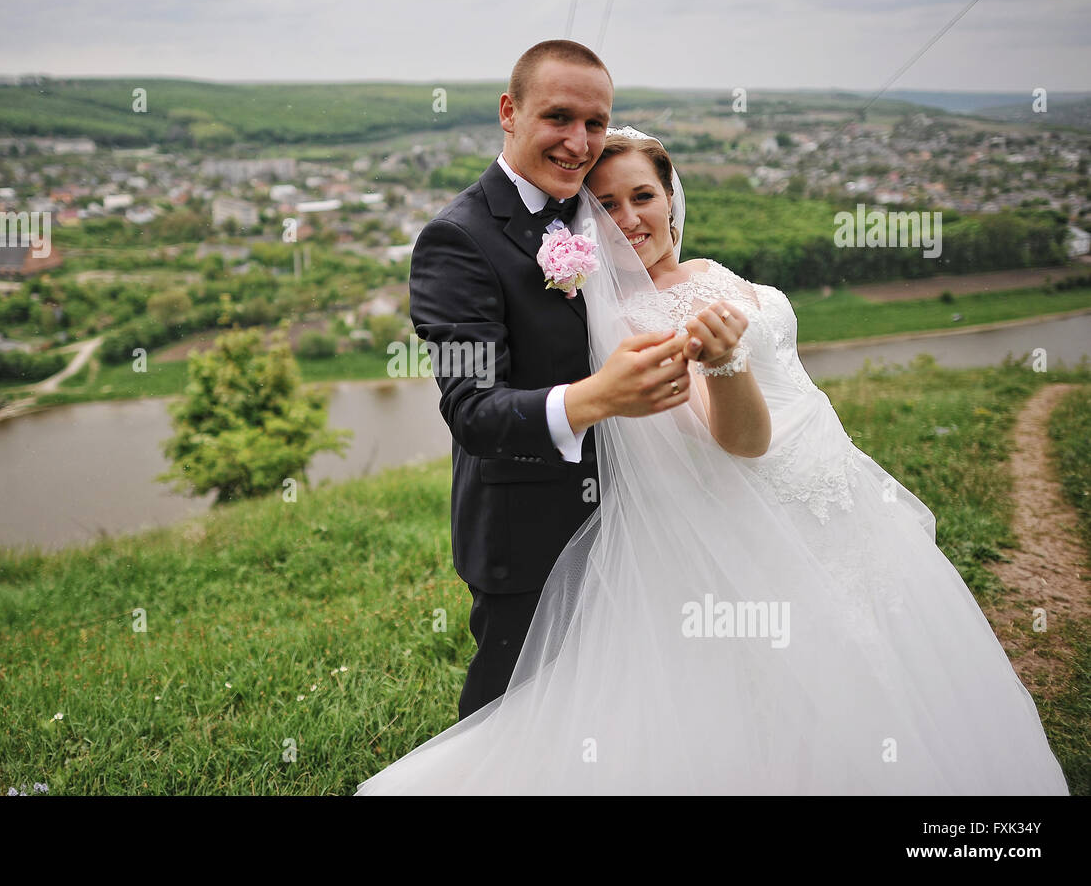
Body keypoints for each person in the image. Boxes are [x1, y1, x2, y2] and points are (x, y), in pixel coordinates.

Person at [356, 127, 1070, 794]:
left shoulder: (703, 271)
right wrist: (728, 364)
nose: (629, 216)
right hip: (758, 515)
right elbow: (741, 441)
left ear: (671, 198)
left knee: (890, 671)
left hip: (834, 499)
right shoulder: (638, 321)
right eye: (604, 206)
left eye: (643, 195)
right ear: (584, 225)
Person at [405, 40, 703, 723]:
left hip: (638, 519)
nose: (579, 142)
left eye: (596, 123)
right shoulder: (456, 239)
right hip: (529, 534)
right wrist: (602, 397)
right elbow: (472, 410)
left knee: (612, 706)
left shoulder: (603, 208)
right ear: (509, 112)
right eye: (559, 118)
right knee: (509, 718)